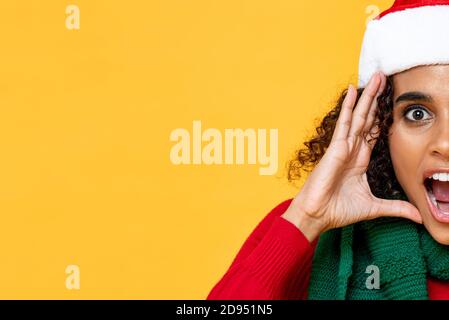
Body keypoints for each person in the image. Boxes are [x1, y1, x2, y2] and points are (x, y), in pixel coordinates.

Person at [207, 0, 449, 300]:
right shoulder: (303, 234)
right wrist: (307, 217)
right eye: (417, 114)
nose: (445, 143)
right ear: (380, 127)